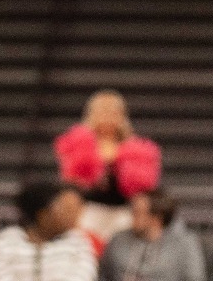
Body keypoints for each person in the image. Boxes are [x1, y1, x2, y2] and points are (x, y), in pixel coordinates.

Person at [64, 90, 154, 243]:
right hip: (90, 212)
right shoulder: (79, 145)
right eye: (102, 112)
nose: (107, 118)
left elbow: (142, 190)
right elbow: (71, 184)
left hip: (122, 213)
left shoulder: (136, 148)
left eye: (112, 113)